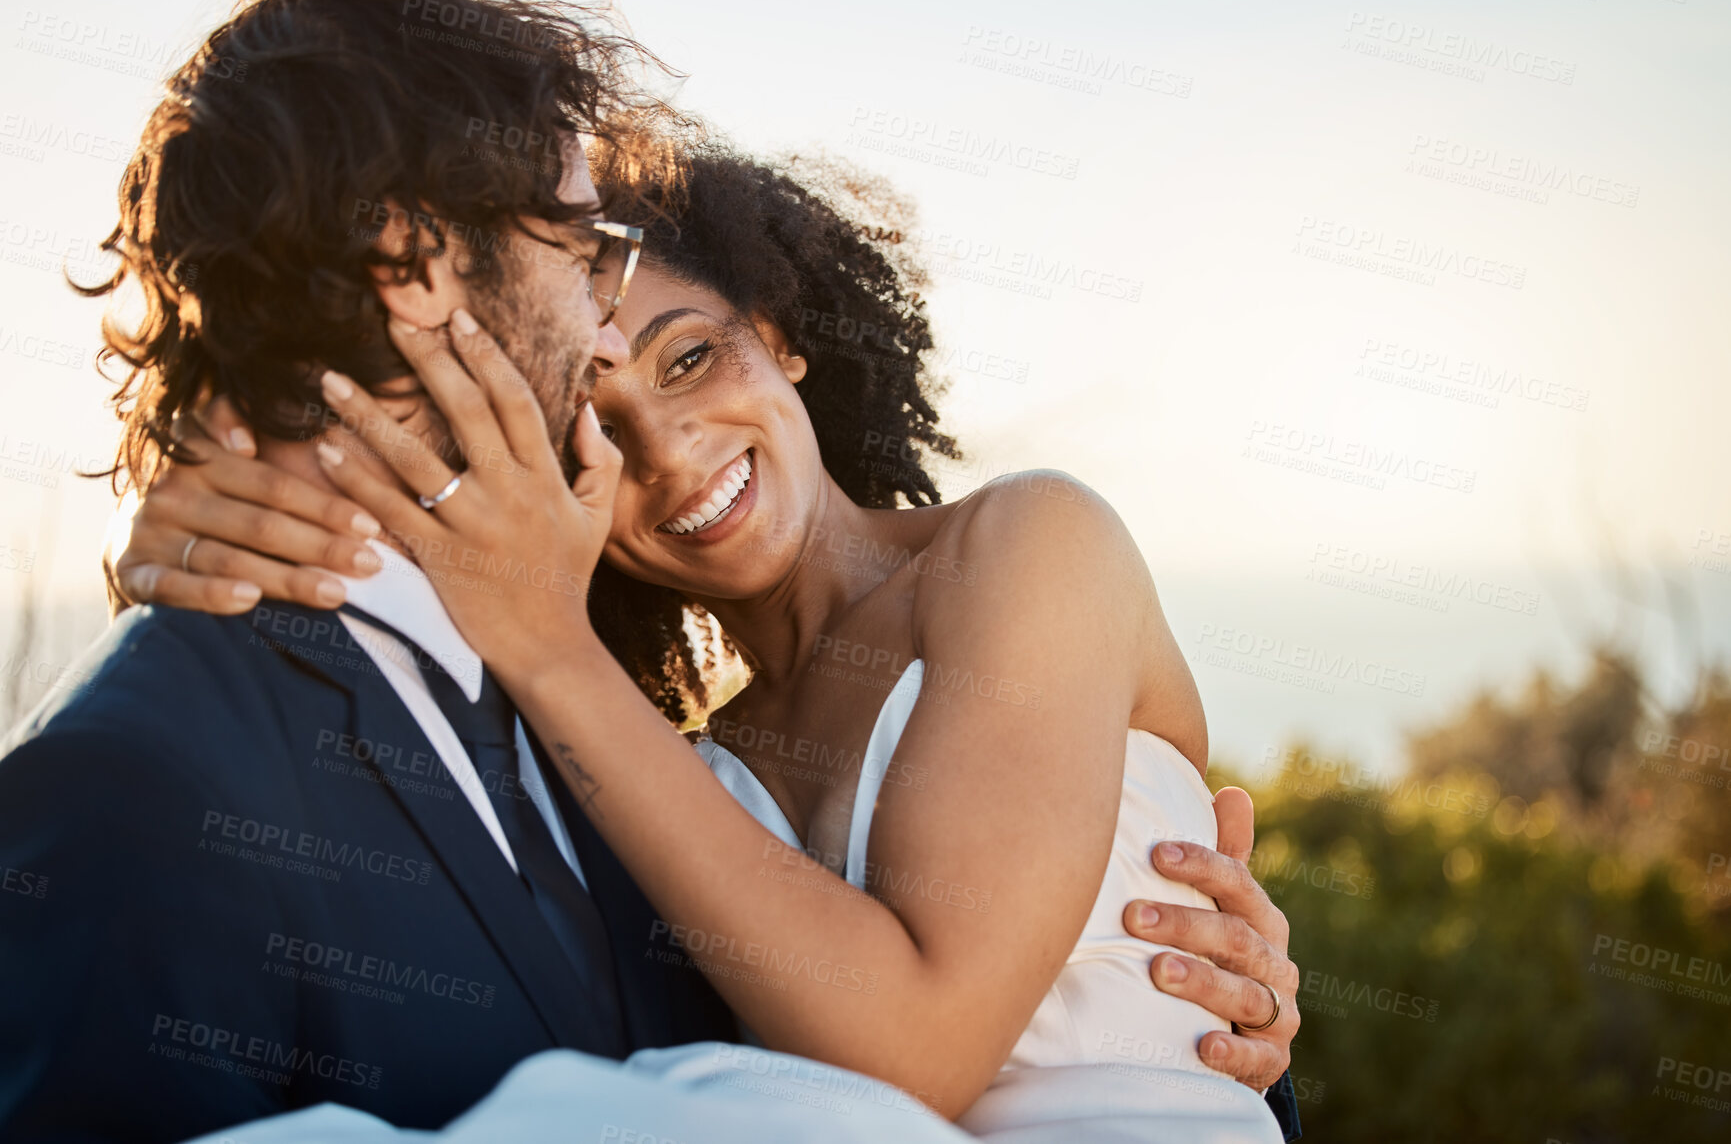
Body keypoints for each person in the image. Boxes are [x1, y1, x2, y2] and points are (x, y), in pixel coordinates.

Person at [111, 131, 1302, 1140]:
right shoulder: (650, 761)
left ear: (778, 334)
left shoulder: (1031, 544)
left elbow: (924, 1048)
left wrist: (550, 649)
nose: (670, 453)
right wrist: (192, 553)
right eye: (597, 430)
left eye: (691, 358)